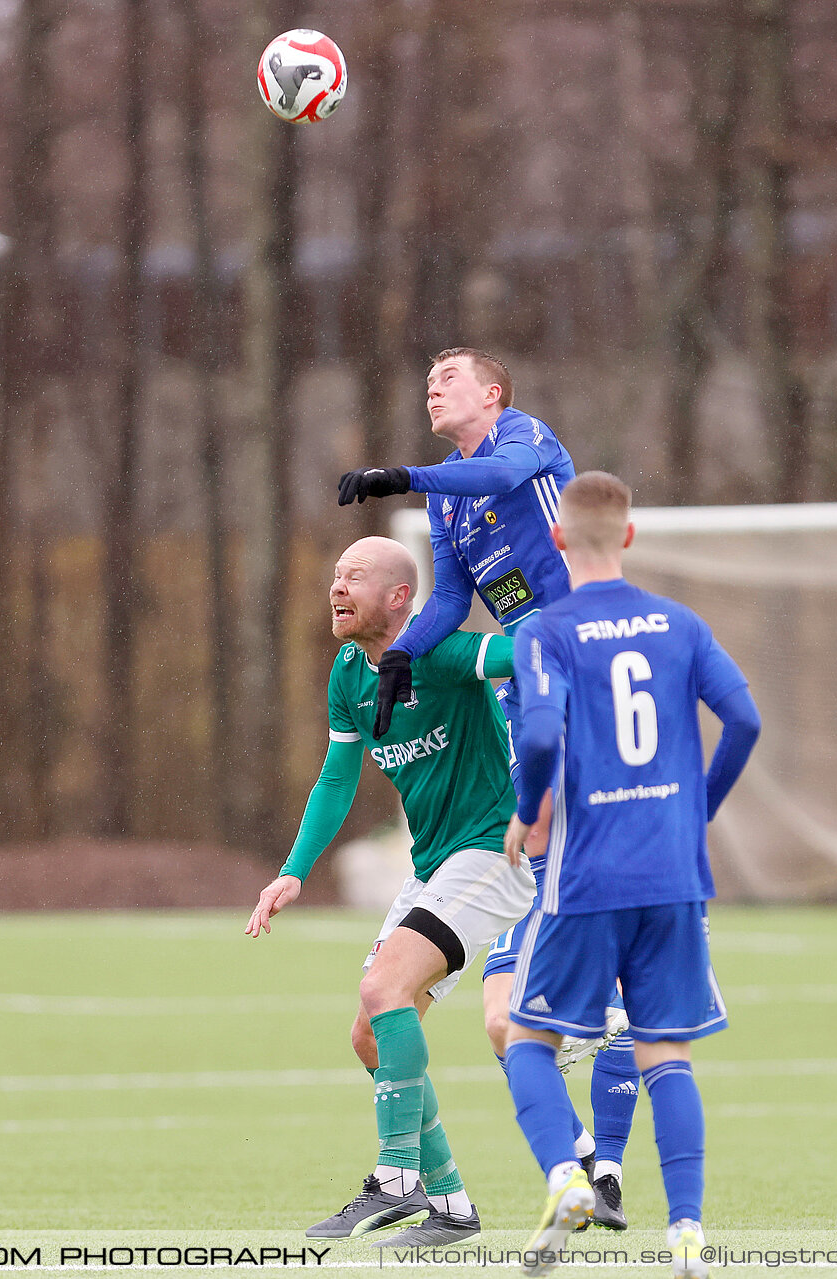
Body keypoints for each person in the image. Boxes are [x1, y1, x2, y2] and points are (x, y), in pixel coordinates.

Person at [337, 348, 640, 1221]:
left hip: (574, 649)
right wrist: (399, 654)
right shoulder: (447, 500)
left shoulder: (525, 441)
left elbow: (504, 471)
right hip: (524, 681)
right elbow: (449, 603)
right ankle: (588, 1128)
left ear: (494, 393)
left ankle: (590, 991)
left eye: (448, 377)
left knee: (553, 829)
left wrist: (398, 472)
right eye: (426, 380)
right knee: (524, 848)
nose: (431, 387)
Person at [499, 471, 761, 1278]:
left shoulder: (546, 631)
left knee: (527, 1040)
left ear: (555, 540)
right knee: (666, 1051)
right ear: (631, 536)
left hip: (591, 874)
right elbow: (745, 719)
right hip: (675, 873)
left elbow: (539, 734)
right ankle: (686, 1231)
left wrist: (527, 804)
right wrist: (698, 811)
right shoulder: (680, 623)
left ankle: (566, 1176)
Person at [245, 536, 533, 1247]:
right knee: (370, 1034)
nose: (337, 587)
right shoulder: (349, 670)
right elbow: (338, 775)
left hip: (491, 853)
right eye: (334, 575)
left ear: (401, 595)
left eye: (356, 576)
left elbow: (517, 654)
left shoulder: (437, 651)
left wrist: (557, 621)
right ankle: (453, 1206)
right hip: (435, 864)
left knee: (382, 990)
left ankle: (397, 1176)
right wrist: (294, 869)